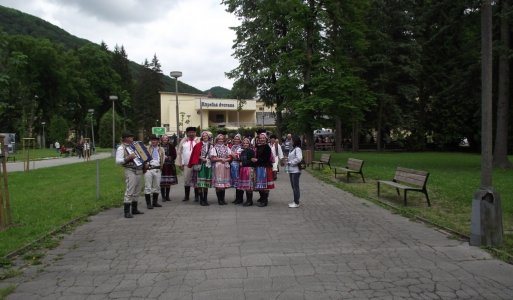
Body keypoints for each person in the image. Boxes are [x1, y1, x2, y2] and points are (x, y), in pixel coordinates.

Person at [115, 131, 144, 218]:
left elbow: (141, 156)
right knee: (130, 189)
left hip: (138, 169)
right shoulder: (121, 148)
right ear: (126, 138)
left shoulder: (135, 146)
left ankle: (134, 209)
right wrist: (128, 158)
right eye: (130, 137)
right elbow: (118, 161)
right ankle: (126, 211)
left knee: (137, 189)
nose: (132, 138)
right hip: (129, 169)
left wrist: (144, 162)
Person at [188, 131, 213, 206]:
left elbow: (213, 154)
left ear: (208, 137)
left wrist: (210, 159)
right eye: (204, 136)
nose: (205, 137)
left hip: (208, 166)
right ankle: (201, 199)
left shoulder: (211, 145)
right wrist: (201, 158)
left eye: (206, 136)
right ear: (202, 137)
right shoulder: (198, 145)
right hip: (200, 166)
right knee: (200, 184)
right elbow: (195, 155)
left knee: (206, 183)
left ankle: (205, 199)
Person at [176, 127, 200, 202]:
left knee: (197, 180)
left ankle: (197, 196)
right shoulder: (183, 141)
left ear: (195, 133)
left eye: (193, 132)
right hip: (186, 164)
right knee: (186, 180)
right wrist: (181, 163)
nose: (191, 133)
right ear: (187, 133)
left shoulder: (198, 140)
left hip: (196, 164)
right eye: (190, 132)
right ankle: (186, 196)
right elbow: (180, 153)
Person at [251, 132, 274, 207]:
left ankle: (265, 201)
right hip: (259, 167)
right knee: (260, 184)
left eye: (263, 138)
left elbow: (266, 158)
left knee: (264, 185)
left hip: (265, 167)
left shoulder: (267, 147)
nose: (262, 139)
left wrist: (257, 160)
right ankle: (262, 198)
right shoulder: (258, 146)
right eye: (260, 138)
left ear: (266, 139)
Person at [210, 133, 232, 205]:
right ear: (217, 140)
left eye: (222, 139)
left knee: (223, 184)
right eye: (219, 139)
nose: (220, 140)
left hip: (225, 166)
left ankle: (223, 199)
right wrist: (220, 159)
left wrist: (226, 160)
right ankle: (219, 200)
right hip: (218, 166)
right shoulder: (214, 148)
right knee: (218, 184)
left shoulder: (227, 148)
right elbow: (212, 158)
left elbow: (230, 157)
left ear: (224, 140)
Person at [144, 134, 165, 209]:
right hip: (149, 169)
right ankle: (148, 204)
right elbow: (143, 157)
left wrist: (161, 166)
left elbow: (163, 158)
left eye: (155, 140)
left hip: (157, 169)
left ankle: (155, 202)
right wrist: (145, 165)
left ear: (158, 141)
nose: (154, 141)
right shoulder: (147, 148)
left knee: (157, 186)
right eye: (152, 140)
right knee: (148, 186)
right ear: (150, 141)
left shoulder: (161, 149)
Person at [238, 137, 256, 206]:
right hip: (243, 169)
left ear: (249, 144)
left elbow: (252, 160)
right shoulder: (242, 151)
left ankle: (250, 201)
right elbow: (241, 160)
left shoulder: (251, 151)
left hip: (249, 169)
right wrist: (240, 162)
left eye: (247, 143)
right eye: (244, 143)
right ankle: (248, 200)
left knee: (249, 186)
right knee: (246, 186)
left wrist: (243, 163)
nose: (245, 144)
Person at [160, 134, 178, 202]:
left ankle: (167, 196)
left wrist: (169, 157)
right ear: (162, 139)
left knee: (168, 182)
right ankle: (163, 196)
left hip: (169, 165)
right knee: (162, 182)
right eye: (164, 138)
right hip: (161, 166)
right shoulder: (159, 146)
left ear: (168, 139)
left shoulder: (171, 146)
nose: (165, 140)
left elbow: (174, 155)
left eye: (166, 138)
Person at [286, 136, 303, 208]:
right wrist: (287, 160)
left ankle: (296, 202)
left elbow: (299, 158)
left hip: (296, 171)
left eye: (292, 140)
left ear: (295, 141)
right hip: (291, 170)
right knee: (294, 187)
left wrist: (291, 162)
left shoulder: (298, 149)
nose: (290, 141)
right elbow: (292, 157)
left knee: (295, 187)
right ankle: (295, 200)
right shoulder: (293, 149)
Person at [230, 134, 244, 204]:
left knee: (239, 182)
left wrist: (232, 154)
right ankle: (237, 198)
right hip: (233, 166)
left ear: (240, 140)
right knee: (236, 183)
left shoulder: (241, 147)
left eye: (238, 139)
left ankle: (240, 198)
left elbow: (238, 157)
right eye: (235, 139)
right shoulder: (232, 147)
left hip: (239, 166)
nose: (236, 140)